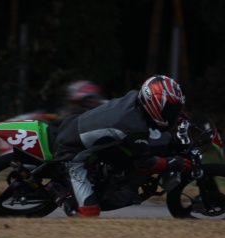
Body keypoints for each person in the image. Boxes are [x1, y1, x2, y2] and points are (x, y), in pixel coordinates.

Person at [52, 75, 192, 217]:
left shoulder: (135, 98)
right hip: (70, 153)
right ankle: (56, 191)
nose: (173, 113)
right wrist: (172, 162)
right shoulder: (135, 127)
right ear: (155, 104)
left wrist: (176, 114)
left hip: (76, 131)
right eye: (170, 109)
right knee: (89, 214)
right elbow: (145, 164)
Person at [0, 80, 105, 160]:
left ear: (88, 102)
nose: (72, 106)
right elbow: (57, 118)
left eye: (75, 103)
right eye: (71, 103)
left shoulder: (102, 112)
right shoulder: (69, 115)